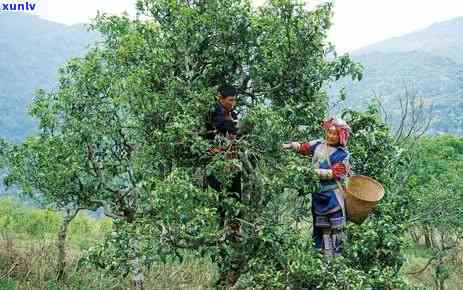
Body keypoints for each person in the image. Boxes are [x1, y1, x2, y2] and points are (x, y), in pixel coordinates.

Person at [282, 117, 351, 258]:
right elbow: (304, 147)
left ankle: (337, 261)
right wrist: (289, 146)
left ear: (341, 136)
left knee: (336, 229)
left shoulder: (343, 154)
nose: (331, 136)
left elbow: (335, 173)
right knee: (322, 228)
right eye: (329, 132)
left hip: (333, 197)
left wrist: (310, 173)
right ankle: (323, 259)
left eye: (335, 134)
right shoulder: (319, 144)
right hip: (318, 195)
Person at [202, 85, 245, 287]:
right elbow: (221, 126)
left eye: (235, 100)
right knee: (221, 194)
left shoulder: (232, 112)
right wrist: (236, 127)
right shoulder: (214, 112)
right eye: (229, 100)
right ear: (220, 98)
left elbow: (234, 130)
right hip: (217, 159)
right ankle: (221, 227)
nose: (232, 103)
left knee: (236, 191)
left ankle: (235, 225)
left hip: (233, 158)